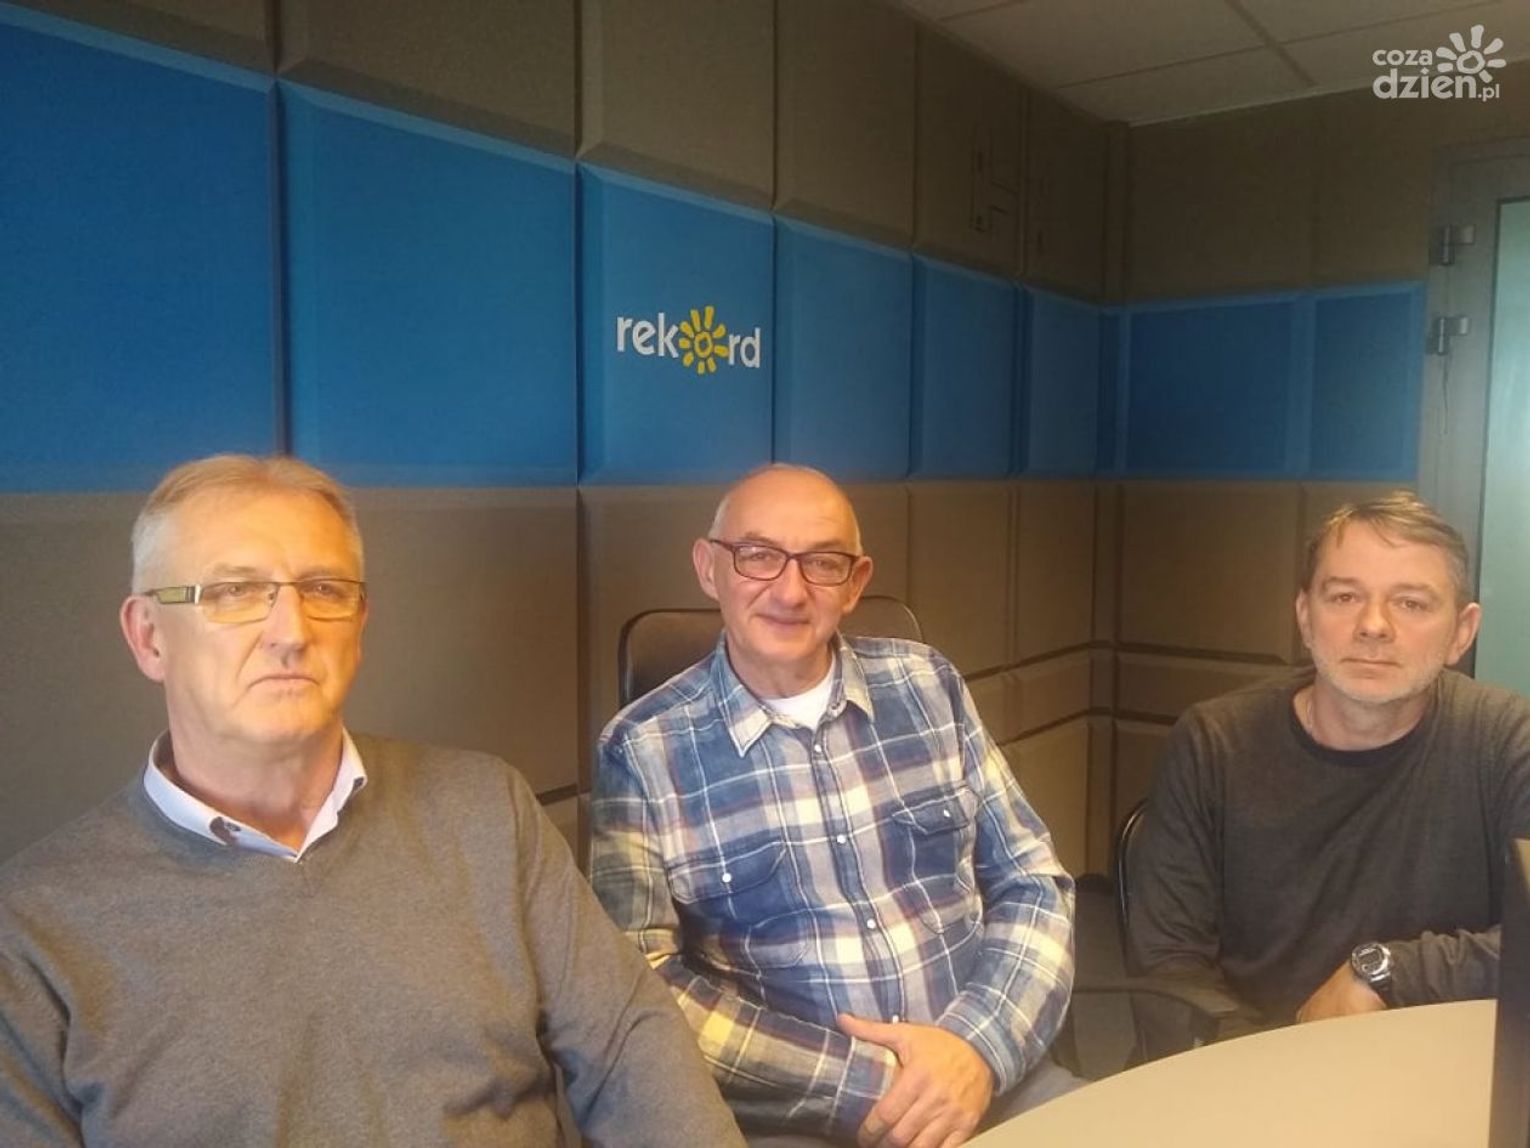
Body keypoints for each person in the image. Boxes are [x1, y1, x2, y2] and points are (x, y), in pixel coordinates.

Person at [0, 454, 743, 1148]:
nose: (290, 632)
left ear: (359, 624)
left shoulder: (486, 810)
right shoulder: (35, 927)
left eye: (323, 590)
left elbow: (628, 1043)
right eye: (233, 593)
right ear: (149, 637)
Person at [589, 464, 1076, 1147]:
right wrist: (872, 1085)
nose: (790, 591)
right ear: (708, 568)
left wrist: (977, 1048)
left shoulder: (928, 684)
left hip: (991, 1079)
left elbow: (1033, 881)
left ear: (855, 582)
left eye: (822, 562)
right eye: (758, 555)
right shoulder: (643, 750)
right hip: (808, 1118)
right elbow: (641, 982)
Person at [1129, 491, 1530, 1045]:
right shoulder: (1213, 743)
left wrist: (1389, 972)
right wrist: (1275, 1064)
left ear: (1461, 632)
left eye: (1411, 603)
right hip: (1249, 1058)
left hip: (1436, 1061)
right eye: (1344, 597)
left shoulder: (1507, 740)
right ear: (1304, 616)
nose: (1373, 625)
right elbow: (1169, 967)